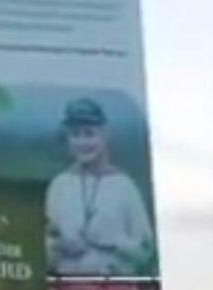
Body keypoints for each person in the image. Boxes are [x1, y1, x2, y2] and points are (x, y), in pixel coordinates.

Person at [45, 98, 154, 277]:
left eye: (89, 134)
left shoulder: (124, 187)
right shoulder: (59, 185)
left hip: (112, 283)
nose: (82, 142)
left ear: (104, 136)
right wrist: (60, 247)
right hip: (67, 282)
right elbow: (42, 245)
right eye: (75, 135)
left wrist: (113, 242)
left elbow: (145, 252)